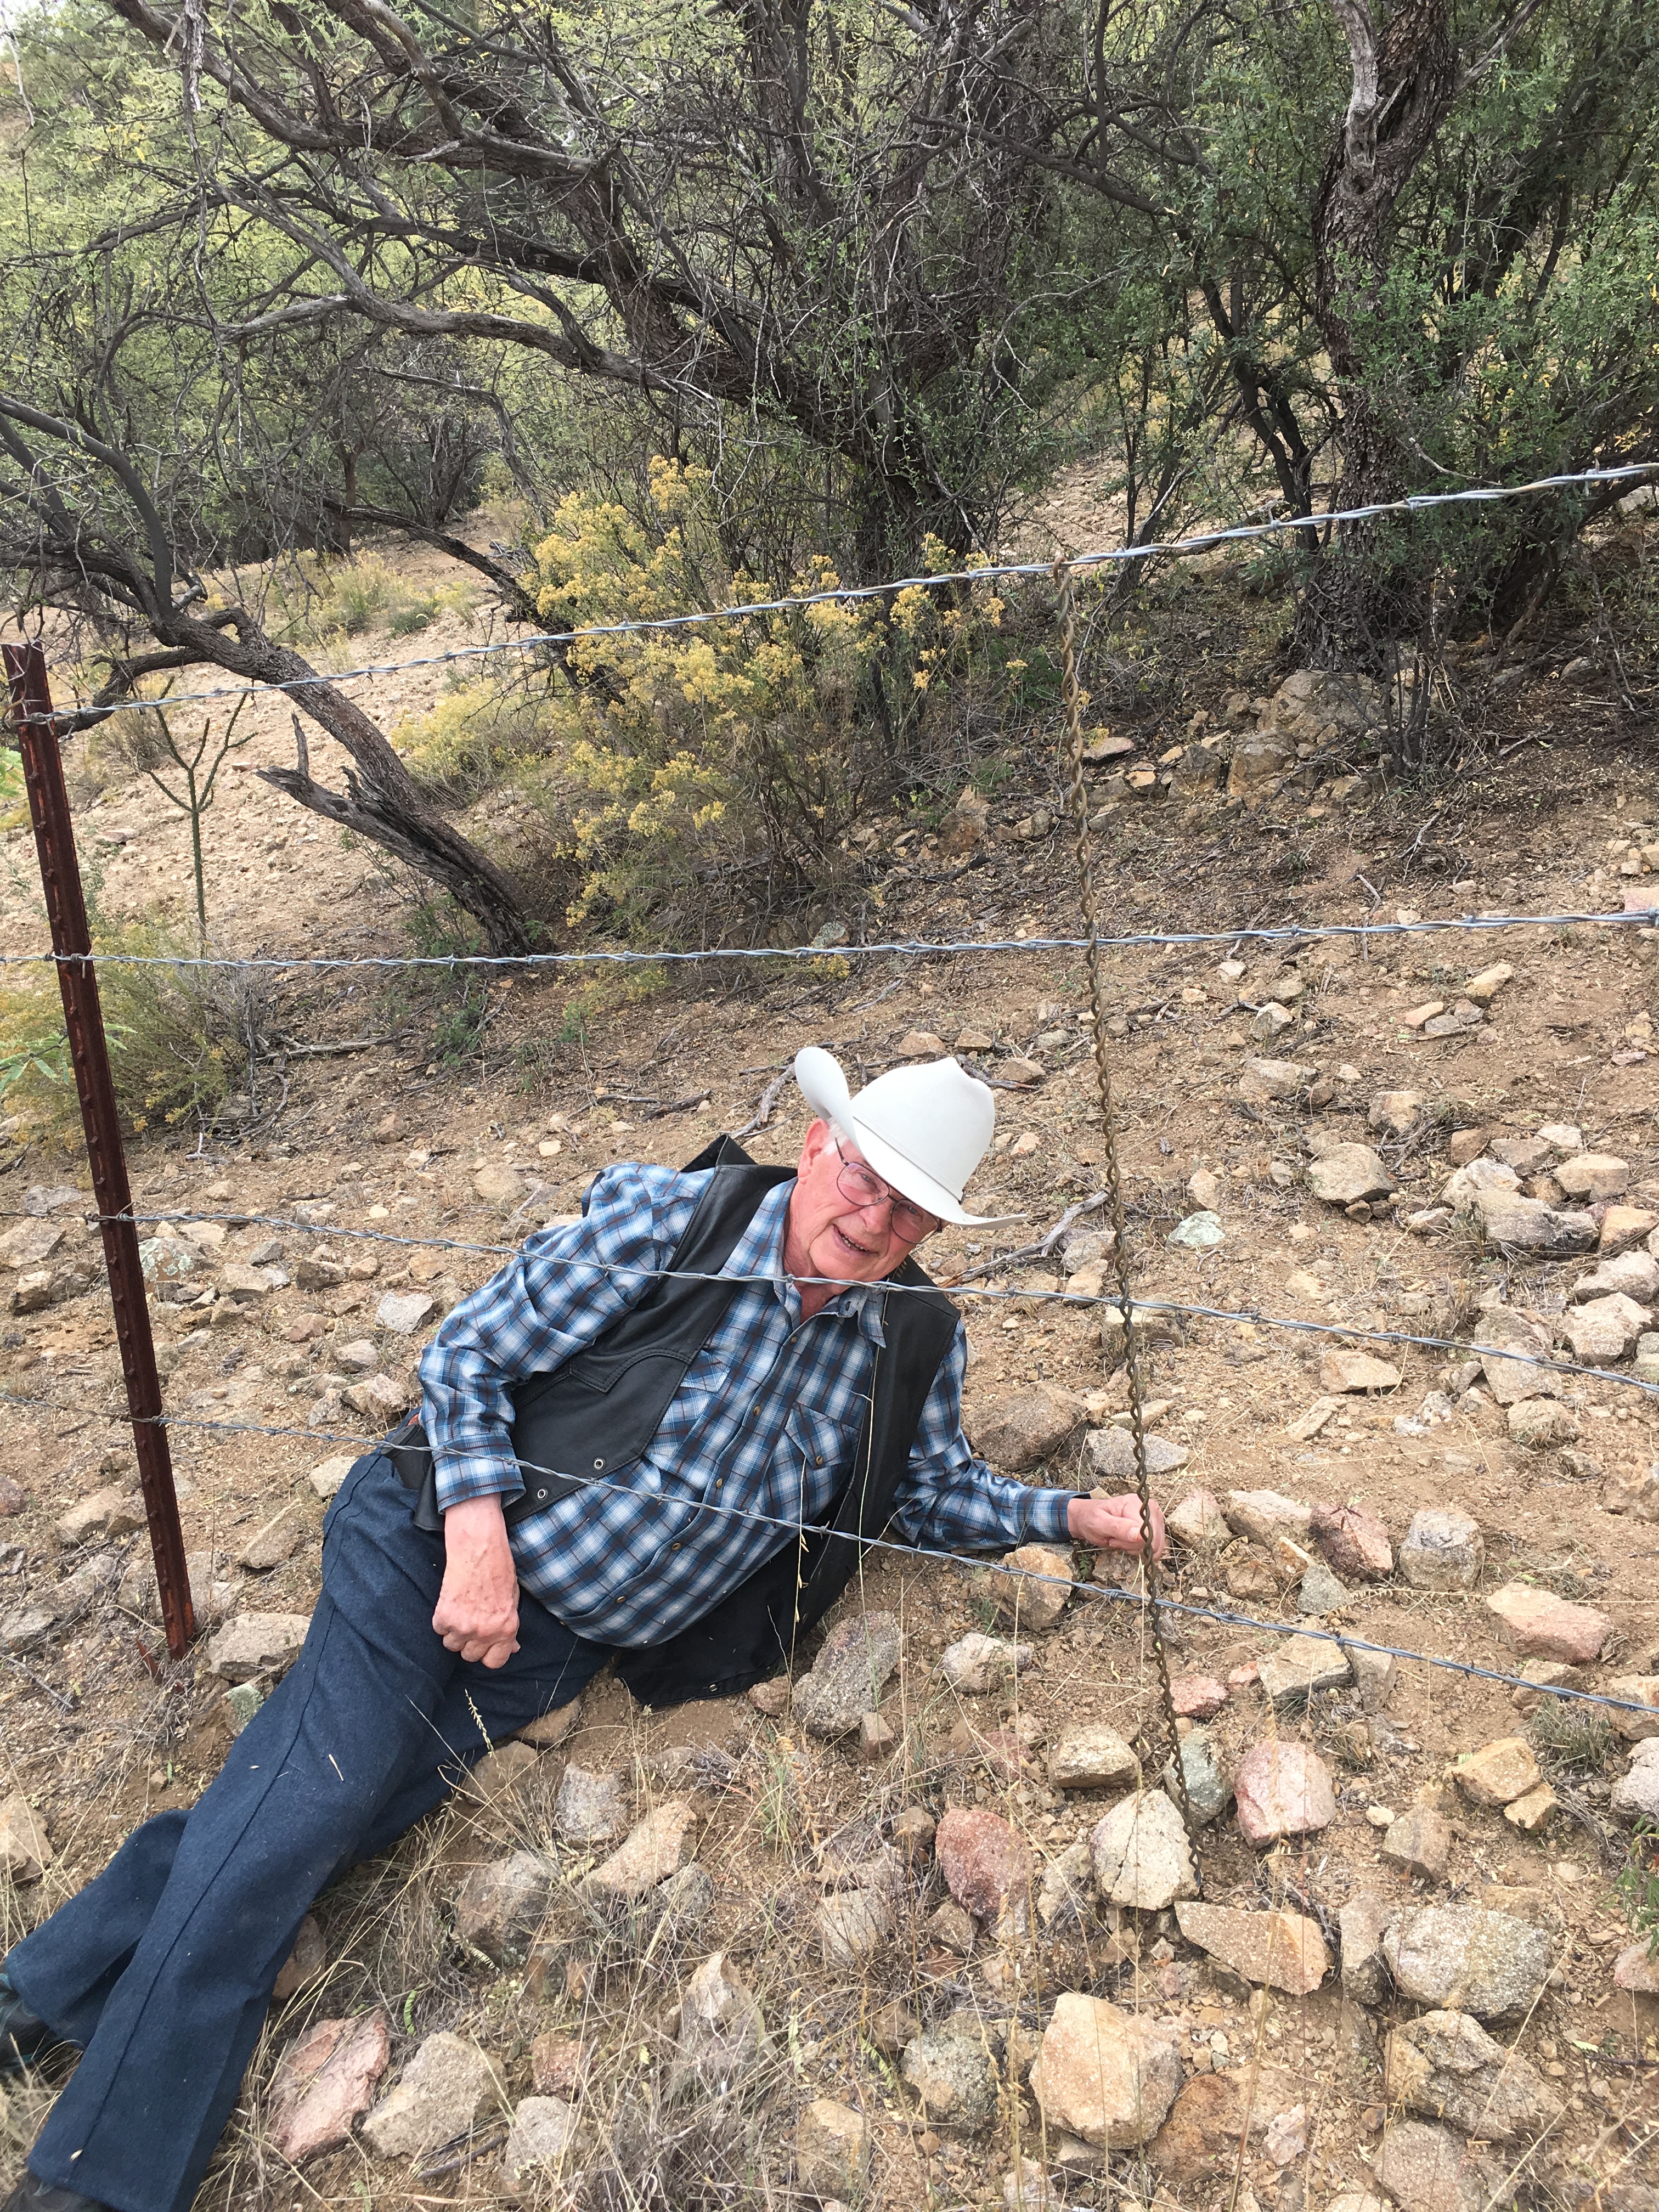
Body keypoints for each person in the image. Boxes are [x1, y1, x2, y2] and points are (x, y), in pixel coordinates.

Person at [0, 1047, 1163, 2212]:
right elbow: (469, 1354)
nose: (876, 1216)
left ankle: (39, 1996)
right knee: (315, 1797)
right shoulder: (670, 1219)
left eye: (911, 1208)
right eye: (865, 1176)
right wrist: (476, 1537)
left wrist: (1066, 1513)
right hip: (431, 1543)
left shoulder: (910, 1339)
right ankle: (103, 2177)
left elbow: (925, 1494)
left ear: (931, 1231)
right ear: (819, 1144)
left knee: (318, 1808)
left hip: (560, 1641)